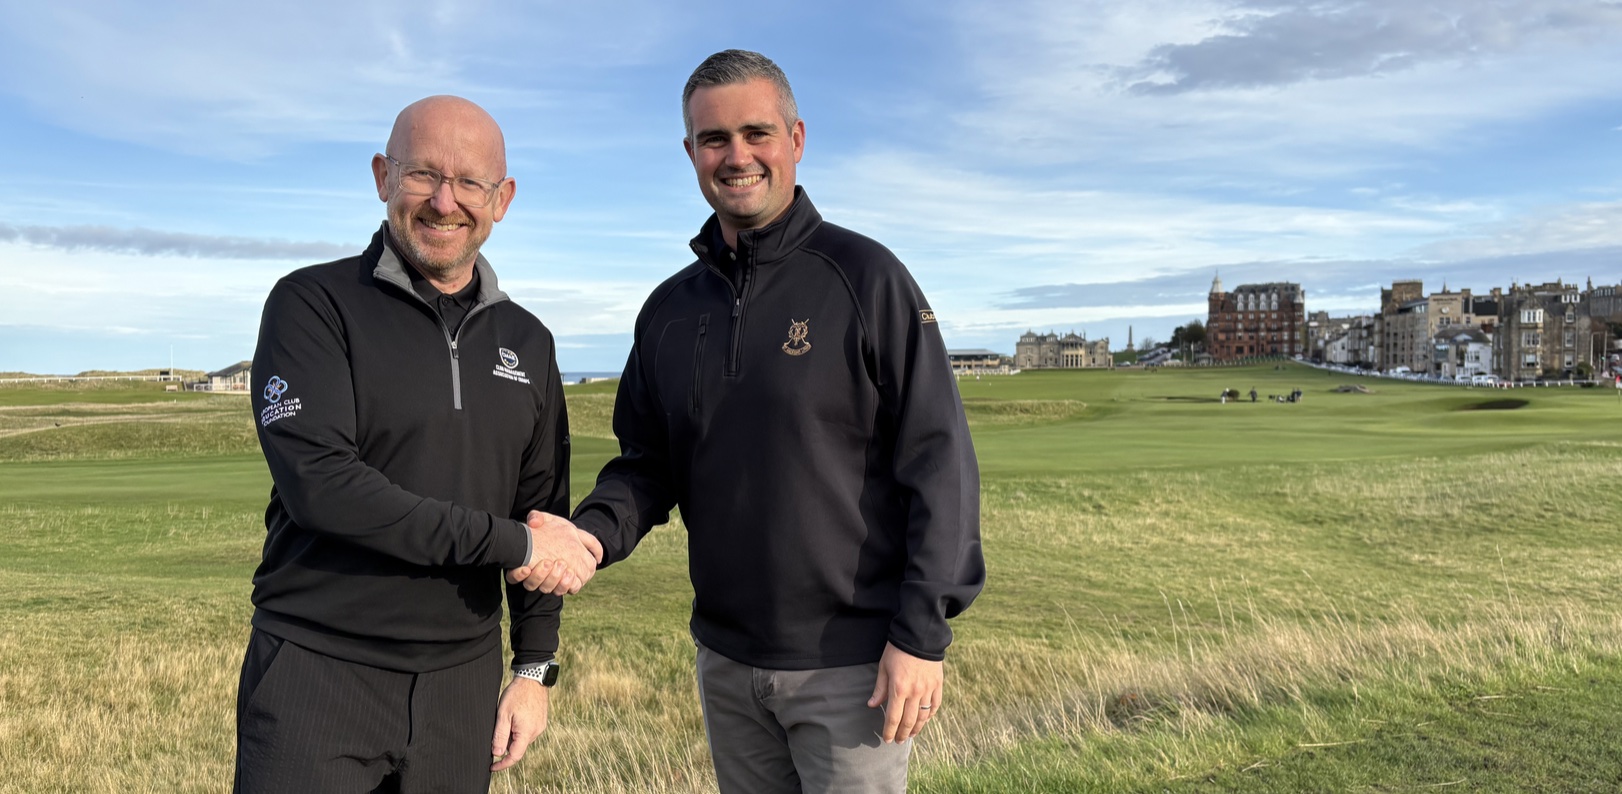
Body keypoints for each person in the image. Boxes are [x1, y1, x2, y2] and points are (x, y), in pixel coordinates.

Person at [513, 49, 984, 793]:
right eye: (713, 140)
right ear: (690, 152)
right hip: (727, 664)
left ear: (796, 139)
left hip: (853, 666)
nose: (737, 157)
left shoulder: (867, 278)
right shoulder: (669, 310)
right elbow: (647, 465)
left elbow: (940, 462)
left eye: (756, 133)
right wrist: (589, 537)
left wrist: (922, 636)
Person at [237, 95, 602, 793]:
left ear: (503, 199)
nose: (444, 201)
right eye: (422, 175)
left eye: (470, 183)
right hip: (319, 667)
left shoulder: (528, 341)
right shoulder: (311, 304)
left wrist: (533, 666)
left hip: (461, 685)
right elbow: (326, 489)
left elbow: (541, 506)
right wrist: (516, 546)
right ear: (382, 176)